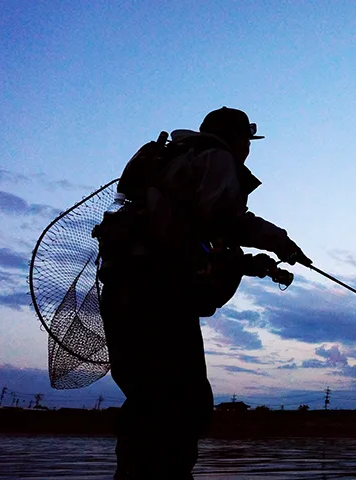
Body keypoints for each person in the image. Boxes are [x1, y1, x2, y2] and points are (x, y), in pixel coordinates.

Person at [97, 107, 311, 479]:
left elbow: (184, 237)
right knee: (184, 404)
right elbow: (223, 219)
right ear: (238, 139)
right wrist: (281, 242)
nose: (247, 149)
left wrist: (251, 264)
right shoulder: (216, 157)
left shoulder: (171, 160)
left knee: (146, 401)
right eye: (247, 140)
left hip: (122, 291)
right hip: (160, 297)